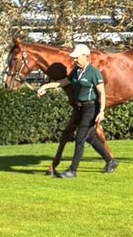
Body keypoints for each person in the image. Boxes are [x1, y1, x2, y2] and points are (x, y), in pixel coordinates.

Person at [38, 44, 118, 177]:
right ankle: (111, 161)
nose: (74, 60)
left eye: (76, 57)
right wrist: (45, 86)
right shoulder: (76, 71)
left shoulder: (94, 73)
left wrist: (102, 111)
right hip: (79, 108)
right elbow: (62, 82)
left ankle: (72, 170)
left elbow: (102, 93)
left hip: (90, 108)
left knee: (80, 138)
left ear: (85, 57)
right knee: (90, 137)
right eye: (74, 58)